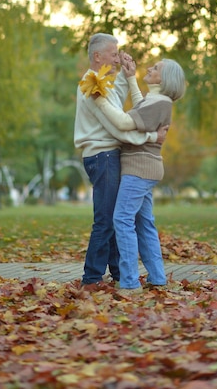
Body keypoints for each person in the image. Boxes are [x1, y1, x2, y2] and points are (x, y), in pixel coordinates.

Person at [74, 33, 168, 288]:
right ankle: (91, 278)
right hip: (102, 155)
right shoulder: (91, 85)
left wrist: (130, 76)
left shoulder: (104, 81)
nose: (117, 58)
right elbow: (118, 127)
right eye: (113, 54)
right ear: (98, 56)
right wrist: (151, 136)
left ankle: (117, 273)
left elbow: (118, 103)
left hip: (109, 154)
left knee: (115, 218)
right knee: (106, 220)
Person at [91, 56, 186, 293]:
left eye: (156, 68)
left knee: (122, 220)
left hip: (139, 169)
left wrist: (100, 101)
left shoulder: (160, 104)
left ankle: (130, 281)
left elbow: (125, 123)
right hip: (145, 167)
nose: (150, 68)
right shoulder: (157, 102)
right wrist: (132, 77)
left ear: (166, 79)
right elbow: (140, 107)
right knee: (144, 224)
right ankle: (157, 277)